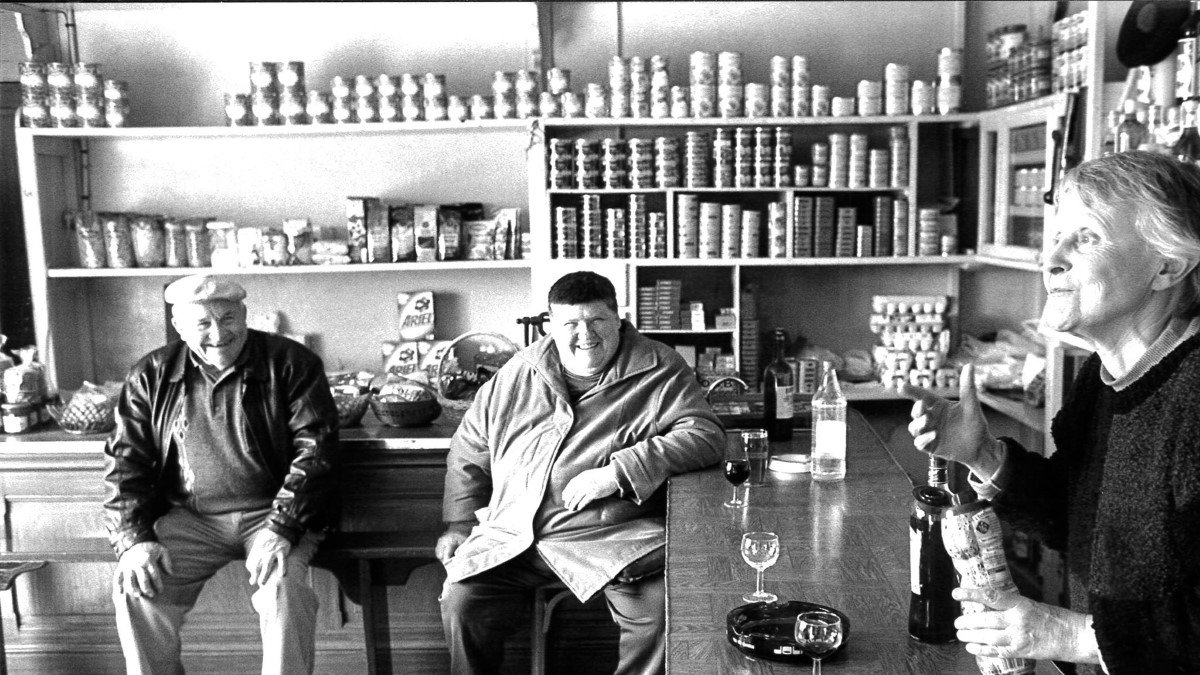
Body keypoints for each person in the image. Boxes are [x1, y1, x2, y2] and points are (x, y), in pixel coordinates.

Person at [903, 151, 1200, 674]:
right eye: (1056, 236)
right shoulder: (1102, 376)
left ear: (1168, 266)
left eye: (1086, 238)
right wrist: (985, 455)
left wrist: (1070, 635)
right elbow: (1081, 521)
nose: (1051, 259)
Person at [437, 271, 724, 674]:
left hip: (612, 538)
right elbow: (470, 446)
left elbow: (705, 436)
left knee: (663, 612)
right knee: (461, 601)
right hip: (515, 535)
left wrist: (618, 472)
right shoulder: (519, 370)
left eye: (596, 320)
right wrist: (459, 523)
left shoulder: (660, 366)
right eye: (570, 323)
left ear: (618, 319)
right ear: (551, 325)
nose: (584, 334)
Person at [103, 274, 339, 675]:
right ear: (178, 326)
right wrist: (133, 539)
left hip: (275, 514)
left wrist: (282, 527)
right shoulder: (151, 373)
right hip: (192, 518)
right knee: (136, 585)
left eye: (228, 318)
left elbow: (316, 450)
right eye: (202, 324)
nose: (218, 334)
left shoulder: (291, 362)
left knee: (282, 588)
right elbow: (126, 462)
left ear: (244, 315)